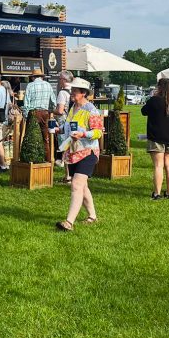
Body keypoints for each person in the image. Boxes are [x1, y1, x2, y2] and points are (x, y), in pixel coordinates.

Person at [56, 78, 102, 231]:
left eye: (75, 91)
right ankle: (92, 216)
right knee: (83, 186)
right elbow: (69, 126)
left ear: (83, 93)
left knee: (76, 185)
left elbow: (98, 132)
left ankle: (69, 222)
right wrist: (59, 129)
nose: (72, 93)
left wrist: (83, 135)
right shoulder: (73, 107)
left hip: (88, 152)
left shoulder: (91, 110)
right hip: (74, 151)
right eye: (72, 90)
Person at [141, 77, 169, 199]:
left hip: (156, 137)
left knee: (158, 165)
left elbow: (144, 111)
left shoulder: (154, 100)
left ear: (159, 87)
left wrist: (153, 96)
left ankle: (157, 193)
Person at [22, 66, 55, 162]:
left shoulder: (30, 85)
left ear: (33, 77)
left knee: (31, 136)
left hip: (33, 113)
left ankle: (32, 159)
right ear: (42, 77)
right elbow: (53, 101)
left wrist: (25, 115)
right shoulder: (48, 85)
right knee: (45, 138)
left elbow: (26, 103)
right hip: (45, 113)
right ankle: (47, 159)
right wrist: (49, 111)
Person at [54, 70, 74, 179]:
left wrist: (51, 111)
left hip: (64, 122)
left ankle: (67, 176)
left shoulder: (62, 93)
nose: (59, 81)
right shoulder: (75, 90)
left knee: (66, 149)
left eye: (60, 79)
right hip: (74, 122)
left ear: (64, 80)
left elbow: (60, 111)